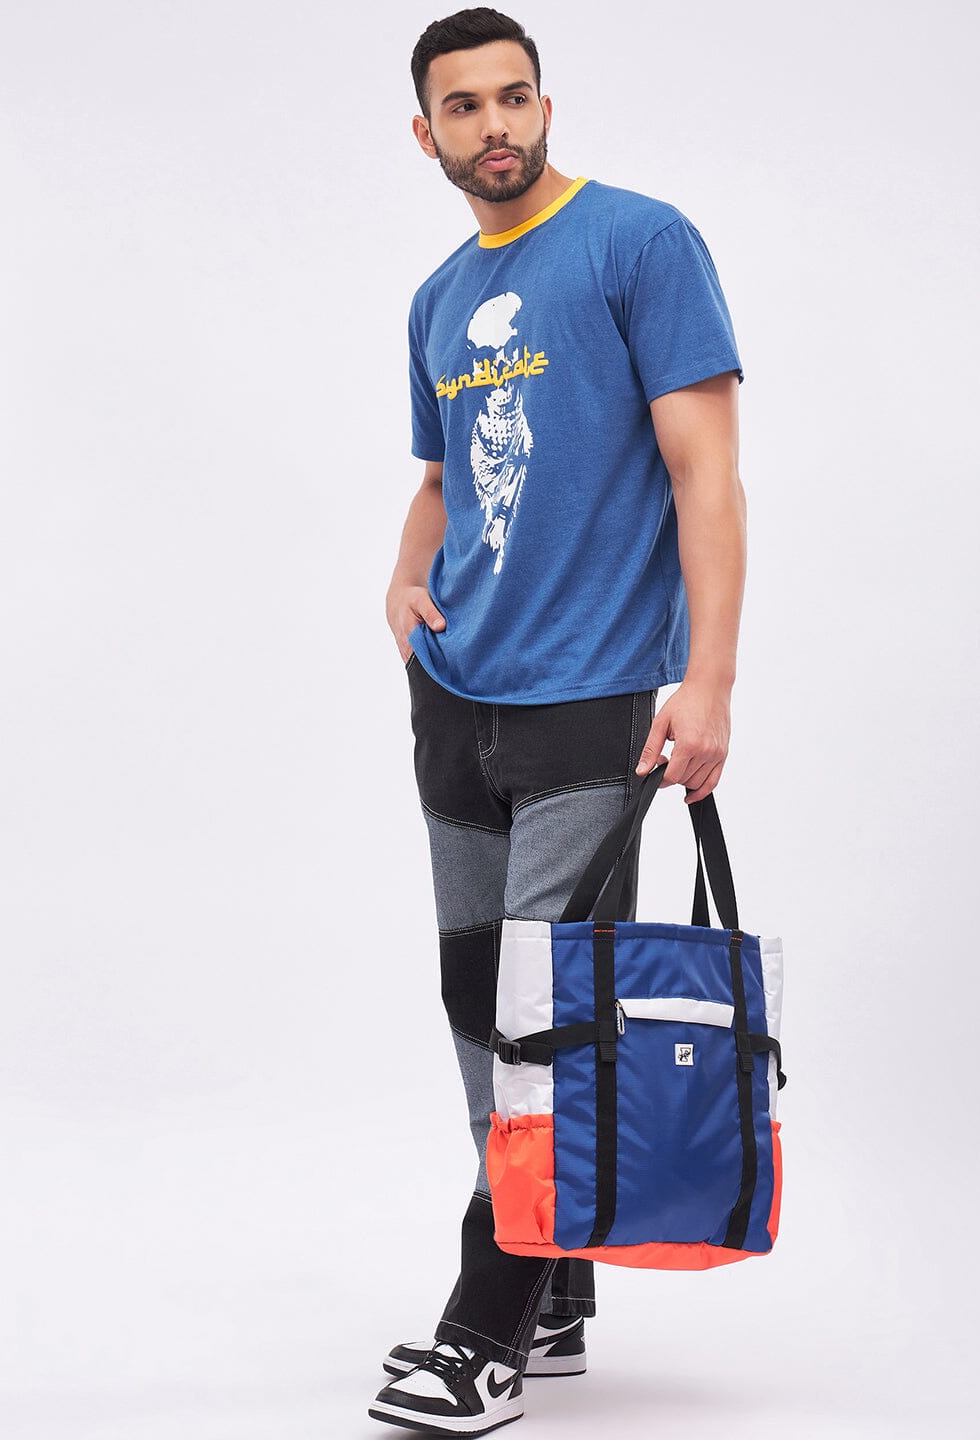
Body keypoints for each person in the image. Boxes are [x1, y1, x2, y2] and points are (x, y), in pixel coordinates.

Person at [371, 8, 747, 1434]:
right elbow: (440, 478)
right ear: (427, 134)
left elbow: (707, 471)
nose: (495, 125)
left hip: (592, 695)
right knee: (479, 999)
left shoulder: (640, 243)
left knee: (549, 1022)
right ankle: (557, 1282)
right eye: (464, 107)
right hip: (455, 696)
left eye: (514, 96)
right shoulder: (436, 298)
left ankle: (482, 1330)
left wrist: (708, 678)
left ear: (545, 104)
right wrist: (404, 579)